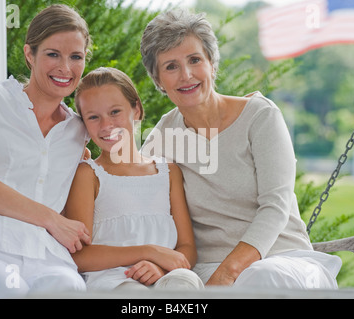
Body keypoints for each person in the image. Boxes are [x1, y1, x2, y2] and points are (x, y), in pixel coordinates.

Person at [140, 9, 342, 289]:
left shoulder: (260, 117)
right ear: (158, 80)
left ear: (212, 64)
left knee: (261, 279)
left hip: (281, 262)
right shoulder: (162, 136)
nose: (186, 75)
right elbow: (132, 193)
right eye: (171, 66)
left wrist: (227, 275)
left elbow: (275, 206)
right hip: (204, 270)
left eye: (195, 60)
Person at [0, 4, 92, 298]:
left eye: (75, 57)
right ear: (30, 54)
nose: (65, 68)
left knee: (68, 290)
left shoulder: (79, 131)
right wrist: (52, 219)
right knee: (7, 291)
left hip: (49, 258)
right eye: (53, 54)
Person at [64, 67, 204, 291]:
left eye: (115, 112)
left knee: (184, 284)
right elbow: (80, 256)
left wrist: (160, 267)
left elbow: (187, 248)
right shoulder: (88, 175)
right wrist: (148, 250)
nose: (106, 125)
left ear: (136, 110)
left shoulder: (168, 172)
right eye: (93, 117)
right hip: (114, 282)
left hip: (166, 276)